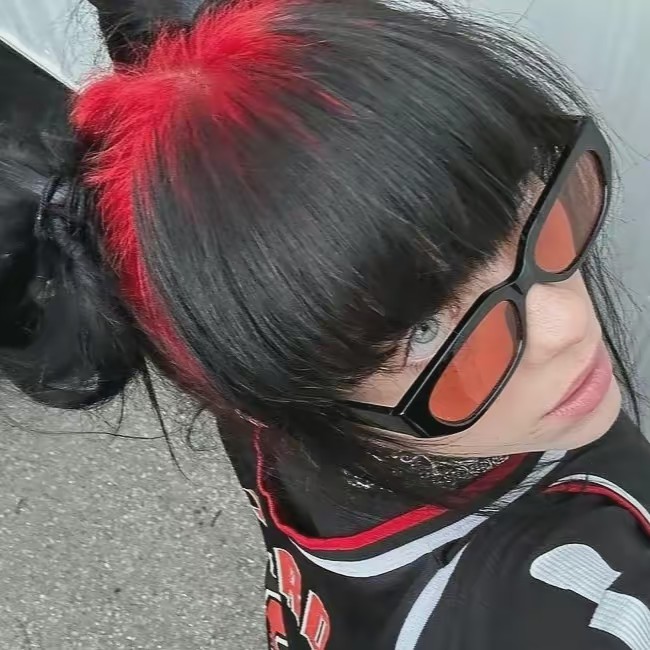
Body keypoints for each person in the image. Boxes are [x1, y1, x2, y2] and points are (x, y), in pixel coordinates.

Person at [1, 0, 649, 647]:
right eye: (425, 329)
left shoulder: (288, 398)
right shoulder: (576, 605)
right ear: (278, 392)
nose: (565, 325)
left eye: (530, 209)